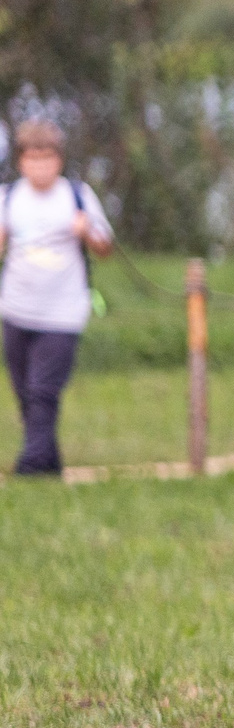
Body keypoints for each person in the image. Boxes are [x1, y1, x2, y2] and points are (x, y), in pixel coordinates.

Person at [0, 117, 114, 477]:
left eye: (47, 158)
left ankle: (30, 468)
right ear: (21, 161)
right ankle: (49, 465)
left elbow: (105, 249)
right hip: (16, 310)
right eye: (33, 159)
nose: (40, 166)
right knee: (26, 394)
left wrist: (87, 232)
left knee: (43, 391)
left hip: (62, 313)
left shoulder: (77, 196)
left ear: (59, 161)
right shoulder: (9, 198)